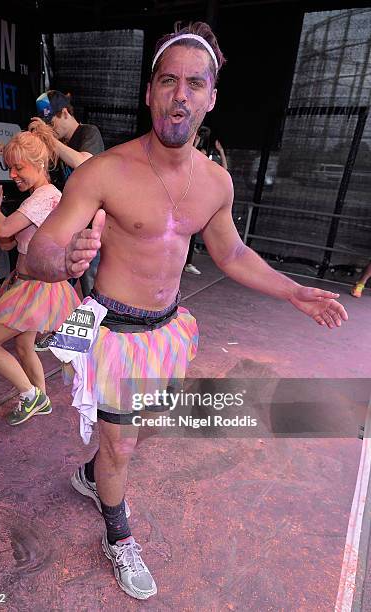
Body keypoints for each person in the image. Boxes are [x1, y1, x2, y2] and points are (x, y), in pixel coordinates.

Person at [26, 22, 348, 600]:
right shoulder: (104, 171)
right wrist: (61, 259)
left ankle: (89, 475)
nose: (180, 95)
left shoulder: (217, 183)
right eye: (168, 81)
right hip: (112, 331)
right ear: (149, 92)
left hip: (169, 329)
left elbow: (231, 252)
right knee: (122, 443)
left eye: (194, 84)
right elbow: (44, 247)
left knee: (143, 428)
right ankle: (118, 534)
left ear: (211, 97)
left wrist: (292, 290)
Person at [0, 123, 81, 426]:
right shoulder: (38, 196)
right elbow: (8, 241)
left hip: (35, 288)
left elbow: (5, 228)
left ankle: (29, 394)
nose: (12, 175)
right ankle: (41, 399)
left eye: (18, 167)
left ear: (39, 164)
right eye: (9, 168)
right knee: (22, 345)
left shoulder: (46, 196)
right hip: (28, 284)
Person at [33, 91, 105, 350]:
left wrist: (50, 141)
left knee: (91, 286)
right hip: (70, 225)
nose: (51, 131)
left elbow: (83, 163)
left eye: (52, 124)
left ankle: (91, 340)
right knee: (57, 282)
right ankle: (58, 333)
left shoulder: (88, 133)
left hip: (92, 226)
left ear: (65, 113)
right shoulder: (60, 141)